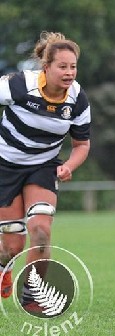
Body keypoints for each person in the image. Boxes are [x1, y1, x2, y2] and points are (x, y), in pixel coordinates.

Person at [0, 32, 91, 310]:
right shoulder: (18, 85)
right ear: (46, 67)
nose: (69, 73)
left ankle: (33, 294)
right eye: (62, 67)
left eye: (73, 67)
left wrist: (69, 166)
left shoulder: (77, 99)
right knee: (11, 247)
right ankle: (4, 267)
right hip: (5, 167)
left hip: (43, 167)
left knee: (40, 228)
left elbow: (82, 144)